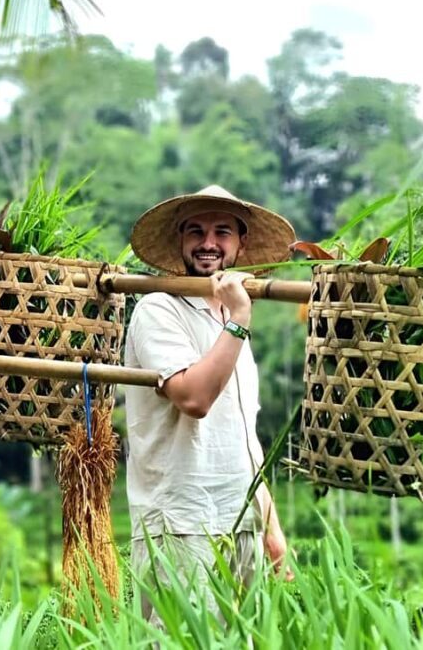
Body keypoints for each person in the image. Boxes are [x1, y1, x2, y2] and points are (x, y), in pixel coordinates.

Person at [124, 185, 296, 621]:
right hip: (181, 522)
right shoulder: (158, 309)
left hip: (240, 521)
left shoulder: (227, 321)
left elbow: (245, 440)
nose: (208, 243)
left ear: (241, 244)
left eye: (222, 232)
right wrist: (240, 319)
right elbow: (194, 398)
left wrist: (272, 532)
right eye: (196, 231)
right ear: (180, 242)